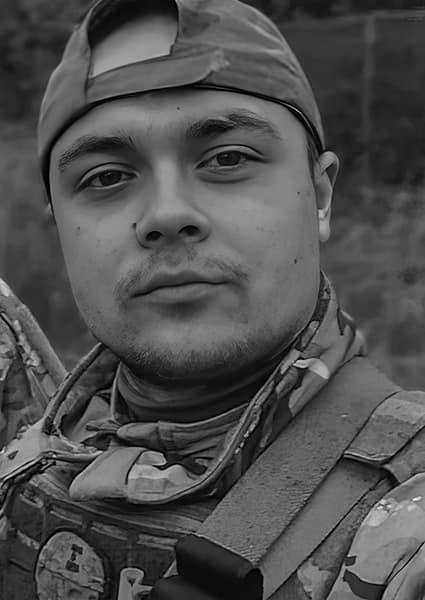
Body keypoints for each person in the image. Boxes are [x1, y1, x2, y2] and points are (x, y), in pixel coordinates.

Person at [1, 1, 425, 598]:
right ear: (61, 229)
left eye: (228, 159)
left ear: (320, 196)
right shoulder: (27, 460)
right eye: (106, 177)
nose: (167, 213)